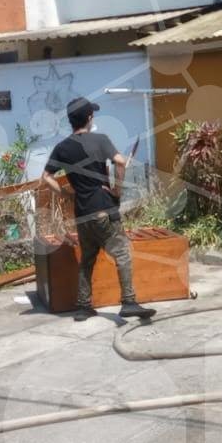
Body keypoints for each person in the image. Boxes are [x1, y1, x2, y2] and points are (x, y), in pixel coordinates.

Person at [42, 97, 157, 323]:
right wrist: (117, 190)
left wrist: (66, 194)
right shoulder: (100, 140)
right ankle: (129, 302)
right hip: (104, 208)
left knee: (87, 259)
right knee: (122, 253)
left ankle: (84, 307)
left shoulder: (62, 148)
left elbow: (46, 177)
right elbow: (121, 162)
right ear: (89, 118)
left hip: (82, 213)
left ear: (70, 121)